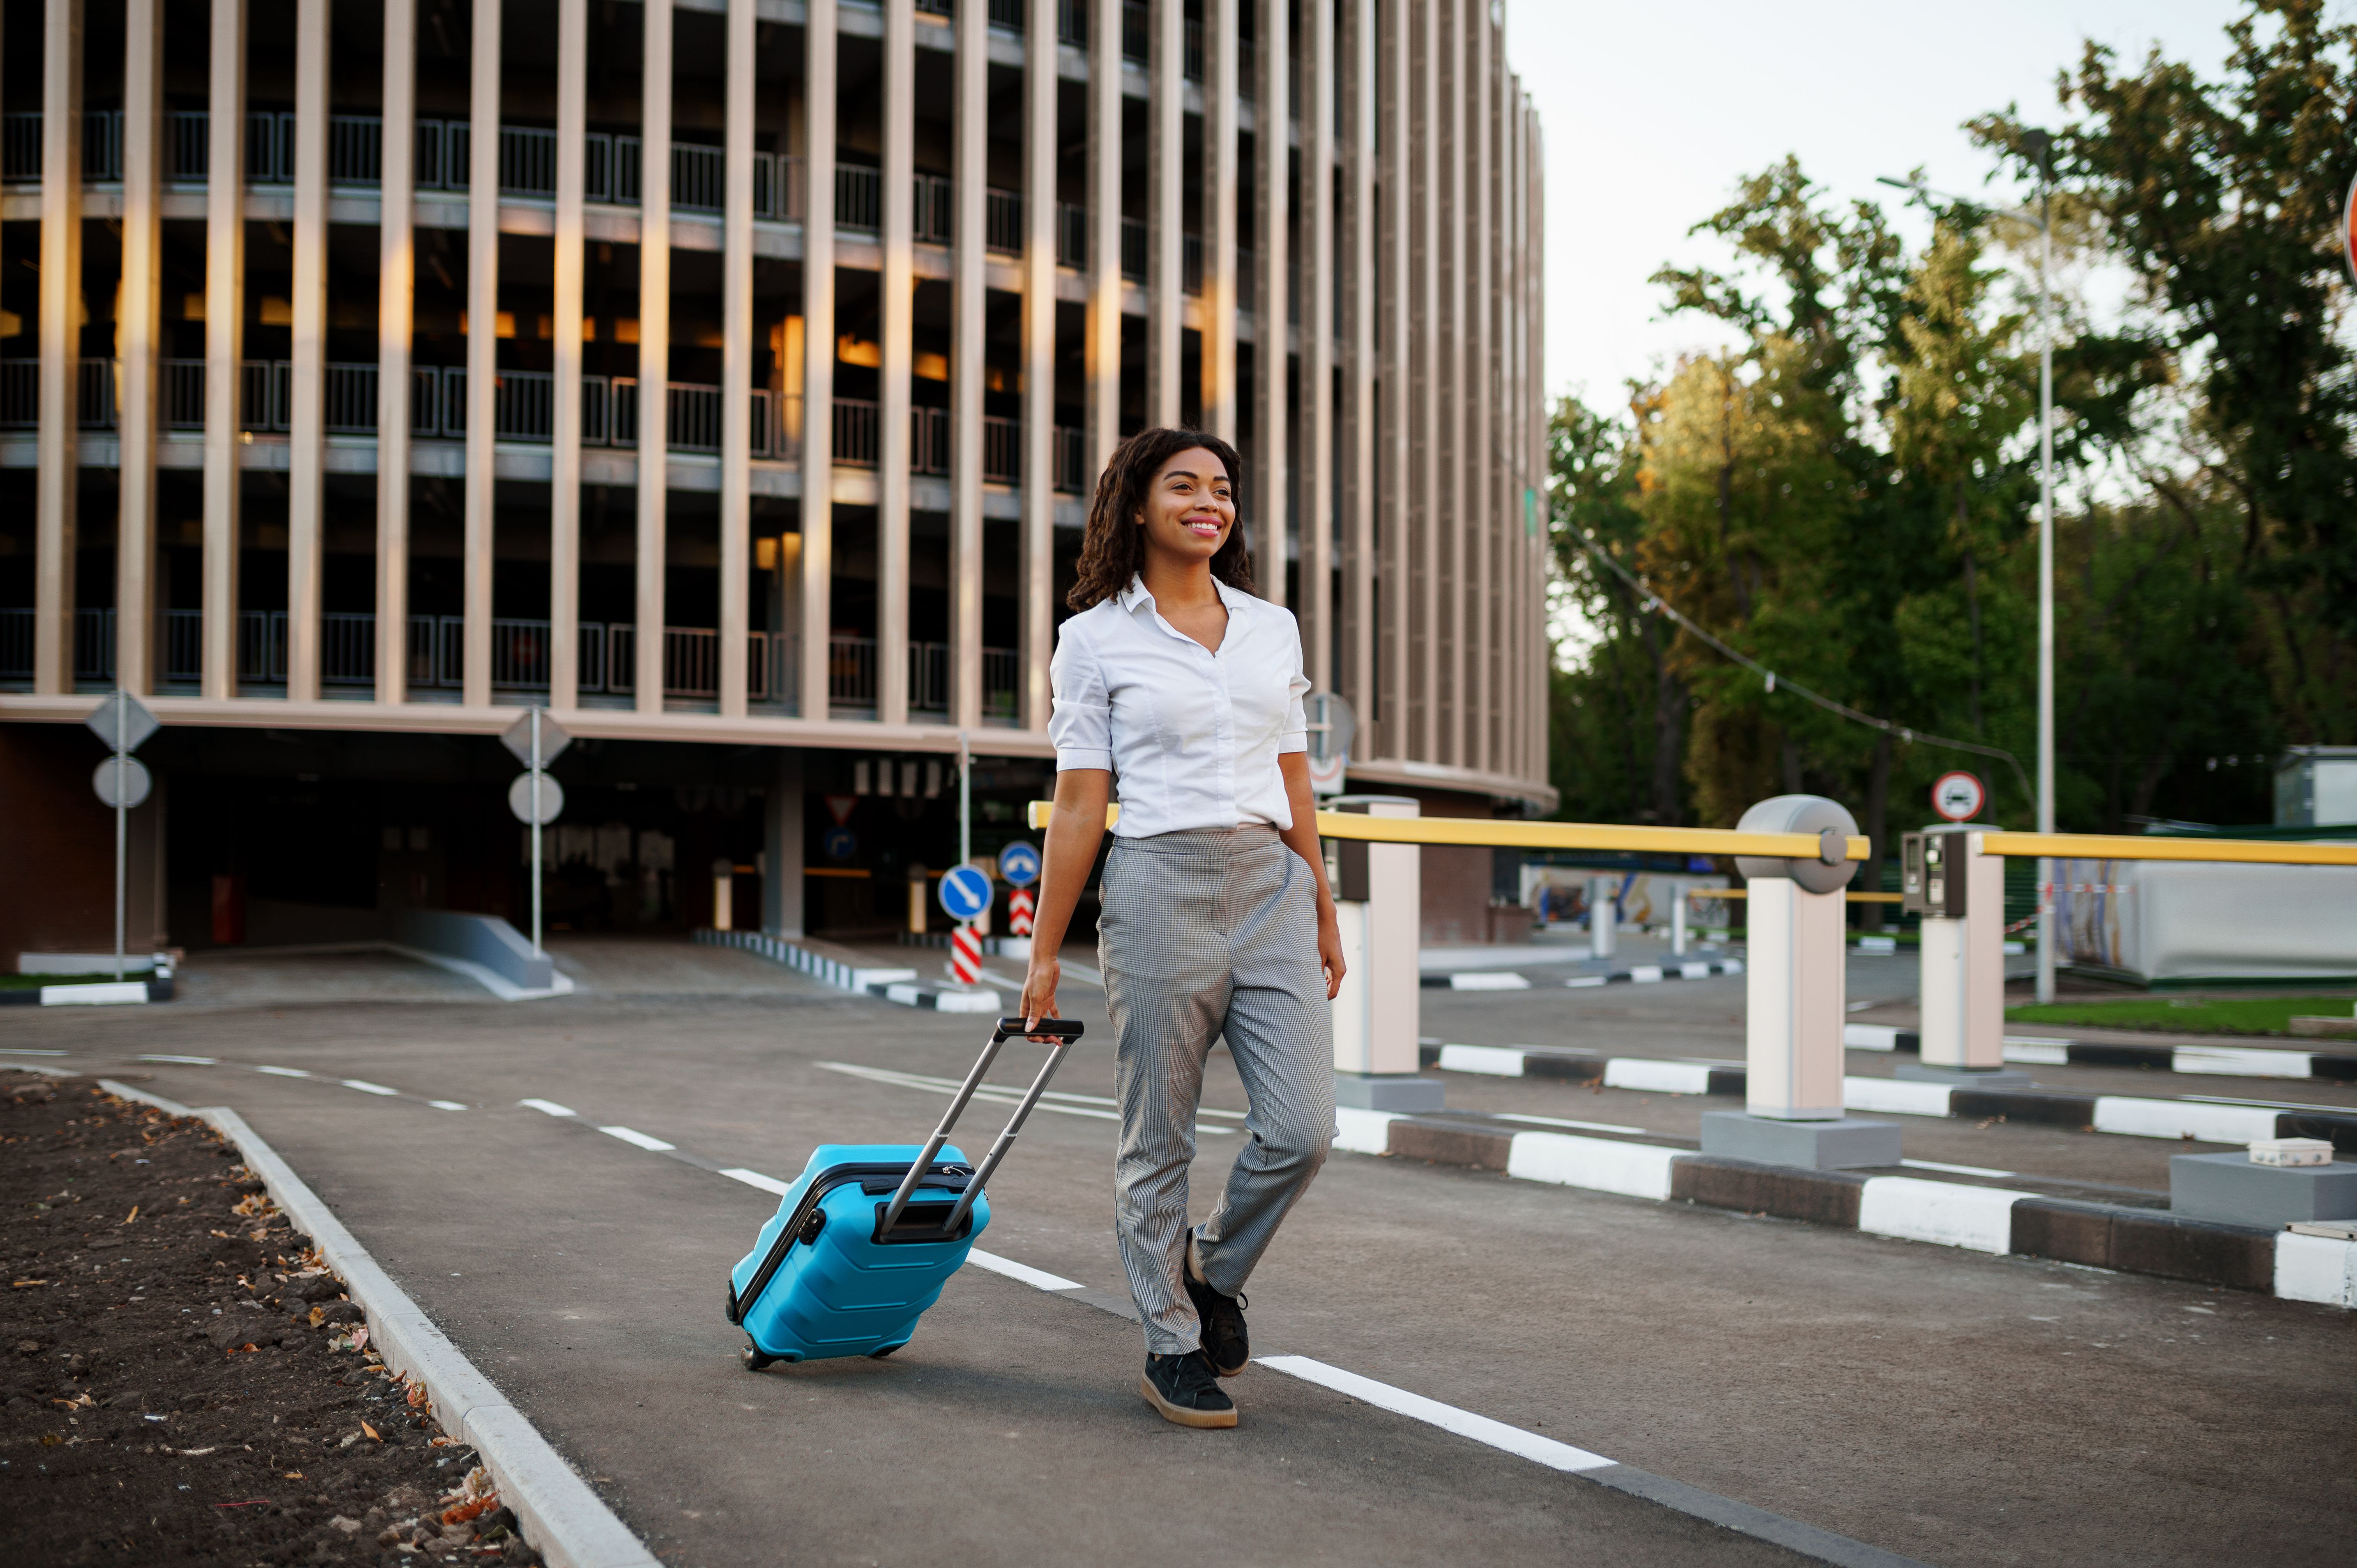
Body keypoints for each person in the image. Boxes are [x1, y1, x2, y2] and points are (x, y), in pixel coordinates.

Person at [1019, 427, 1345, 1431]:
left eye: (1222, 488)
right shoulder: (1094, 639)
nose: (1209, 502)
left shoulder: (1269, 627)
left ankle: (1213, 1269)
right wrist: (1043, 955)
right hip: (1158, 886)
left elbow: (1294, 772)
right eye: (1184, 485)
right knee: (1156, 1137)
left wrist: (1323, 905)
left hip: (1270, 886)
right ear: (1137, 504)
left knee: (1303, 1130)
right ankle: (1170, 1345)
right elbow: (1081, 801)